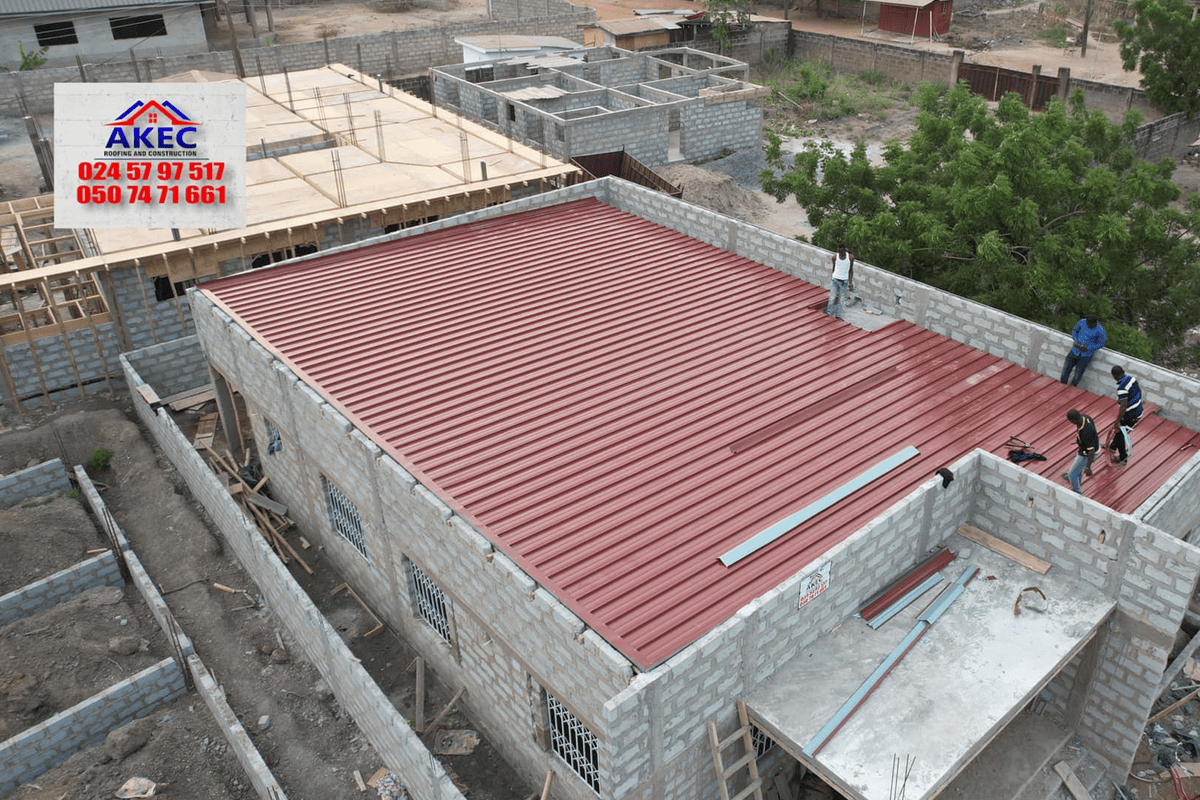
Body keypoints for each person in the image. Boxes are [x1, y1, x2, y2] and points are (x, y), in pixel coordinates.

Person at [1108, 366, 1143, 466]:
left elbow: (1123, 406)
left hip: (1130, 416)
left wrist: (1117, 421)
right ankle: (1113, 446)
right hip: (1138, 411)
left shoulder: (1122, 389)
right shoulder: (1132, 379)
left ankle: (1123, 458)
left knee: (1120, 436)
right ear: (1123, 372)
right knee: (1120, 433)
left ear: (1114, 376)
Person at [1060, 315, 1106, 386]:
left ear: (1095, 323)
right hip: (1075, 351)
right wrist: (1075, 339)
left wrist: (1089, 347)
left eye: (1091, 325)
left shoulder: (1100, 331)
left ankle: (1072, 388)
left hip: (1085, 355)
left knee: (1078, 374)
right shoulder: (1082, 322)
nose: (1089, 325)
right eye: (1088, 324)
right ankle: (1062, 385)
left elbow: (1101, 344)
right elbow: (1075, 330)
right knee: (1066, 370)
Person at [1062, 409, 1099, 495]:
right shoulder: (1085, 418)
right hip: (1085, 449)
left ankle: (1077, 493)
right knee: (1078, 469)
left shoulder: (1086, 431)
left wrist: (1088, 467)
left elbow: (1091, 450)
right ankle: (1075, 477)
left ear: (1073, 421)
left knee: (1072, 474)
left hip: (1087, 454)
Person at [826, 244, 854, 319]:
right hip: (835, 280)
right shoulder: (835, 257)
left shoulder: (850, 258)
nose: (839, 253)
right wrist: (832, 276)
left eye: (840, 251)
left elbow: (851, 270)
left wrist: (850, 282)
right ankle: (829, 313)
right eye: (838, 251)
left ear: (844, 250)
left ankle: (838, 315)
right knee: (832, 297)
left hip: (844, 281)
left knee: (841, 299)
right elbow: (834, 268)